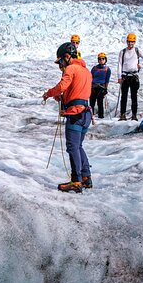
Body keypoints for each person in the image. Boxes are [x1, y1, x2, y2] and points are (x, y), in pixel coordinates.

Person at [43, 42, 93, 193]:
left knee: (72, 147)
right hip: (86, 114)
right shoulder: (86, 71)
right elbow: (77, 91)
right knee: (78, 146)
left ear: (67, 56)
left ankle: (76, 180)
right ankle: (86, 177)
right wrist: (63, 98)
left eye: (61, 62)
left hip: (75, 114)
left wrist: (49, 93)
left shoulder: (71, 69)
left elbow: (62, 86)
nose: (61, 66)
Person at [117, 33, 143, 121]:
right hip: (125, 76)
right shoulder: (122, 52)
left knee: (134, 97)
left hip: (134, 76)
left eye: (132, 42)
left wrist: (141, 65)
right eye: (129, 42)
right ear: (127, 42)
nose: (130, 44)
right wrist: (119, 77)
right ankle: (122, 115)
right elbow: (119, 64)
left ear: (135, 42)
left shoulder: (137, 50)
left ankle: (134, 115)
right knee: (124, 97)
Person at [90, 52, 111, 119]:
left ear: (105, 59)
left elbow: (107, 80)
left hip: (101, 87)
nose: (101, 60)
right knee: (91, 103)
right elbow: (91, 77)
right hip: (93, 87)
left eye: (103, 59)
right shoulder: (94, 68)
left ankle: (101, 117)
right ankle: (90, 116)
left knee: (100, 103)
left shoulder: (107, 69)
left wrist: (105, 88)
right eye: (99, 59)